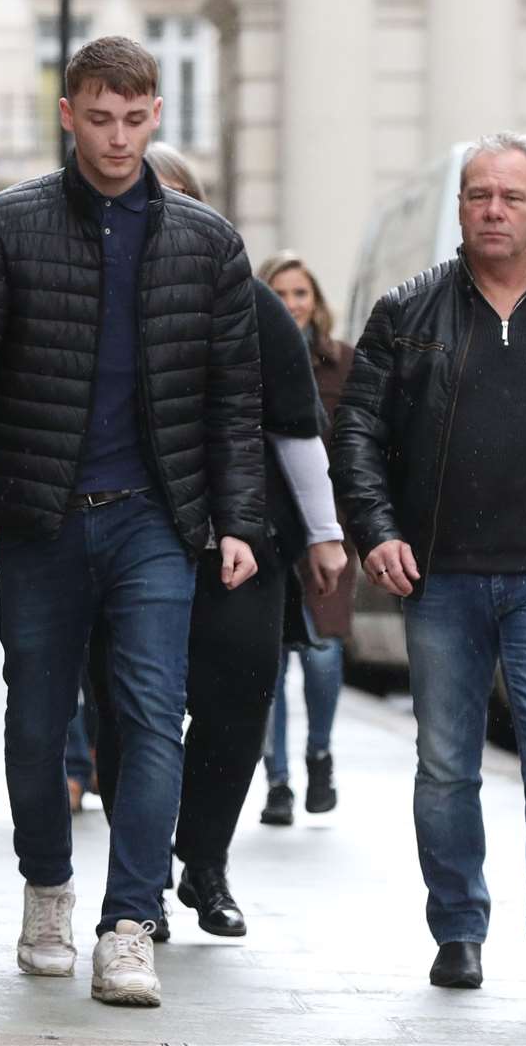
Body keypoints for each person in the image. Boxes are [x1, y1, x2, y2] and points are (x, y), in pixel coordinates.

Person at [0, 36, 264, 1008]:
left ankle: (129, 924)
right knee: (36, 720)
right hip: (38, 515)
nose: (116, 138)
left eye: (134, 118)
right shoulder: (5, 226)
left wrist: (236, 517)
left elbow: (233, 397)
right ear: (67, 114)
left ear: (156, 117)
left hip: (155, 517)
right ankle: (46, 885)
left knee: (154, 715)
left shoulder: (207, 242)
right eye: (98, 118)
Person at [331, 131, 526, 1000]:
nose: (494, 210)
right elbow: (356, 429)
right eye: (479, 196)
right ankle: (458, 929)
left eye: (511, 197)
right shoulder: (408, 312)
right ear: (460, 208)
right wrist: (375, 529)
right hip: (443, 575)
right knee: (445, 763)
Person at [88, 143, 348, 940]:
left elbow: (296, 427)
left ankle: (203, 860)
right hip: (127, 534)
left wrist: (324, 534)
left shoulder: (245, 299)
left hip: (240, 540)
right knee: (127, 709)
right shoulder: (92, 291)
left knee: (237, 700)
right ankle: (141, 877)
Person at [255, 252, 357, 824]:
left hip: (328, 530)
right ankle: (278, 782)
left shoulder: (342, 364)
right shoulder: (250, 355)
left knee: (322, 657)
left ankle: (319, 752)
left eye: (301, 293)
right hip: (267, 529)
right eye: (280, 292)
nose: (291, 304)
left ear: (316, 300)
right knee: (269, 665)